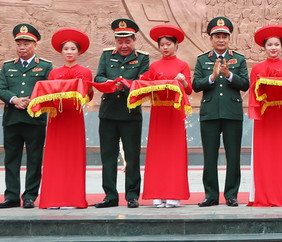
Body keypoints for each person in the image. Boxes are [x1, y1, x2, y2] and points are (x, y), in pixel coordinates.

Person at [193, 17, 250, 207]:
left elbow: (245, 84)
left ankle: (231, 195)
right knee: (210, 156)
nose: (221, 40)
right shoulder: (203, 59)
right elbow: (196, 85)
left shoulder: (239, 59)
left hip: (232, 113)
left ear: (229, 38)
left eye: (224, 36)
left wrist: (228, 75)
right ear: (211, 39)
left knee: (233, 156)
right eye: (217, 36)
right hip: (209, 113)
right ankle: (211, 195)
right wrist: (212, 77)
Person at [93, 19, 149, 209]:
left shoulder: (142, 58)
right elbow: (98, 77)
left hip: (131, 114)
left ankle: (132, 195)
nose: (124, 46)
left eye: (127, 42)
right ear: (115, 41)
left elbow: (143, 83)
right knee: (108, 157)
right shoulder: (106, 55)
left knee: (132, 157)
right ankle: (110, 196)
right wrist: (110, 84)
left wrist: (124, 86)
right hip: (108, 113)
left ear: (134, 40)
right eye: (120, 41)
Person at [36, 28, 93, 209]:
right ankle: (53, 199)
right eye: (66, 49)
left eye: (72, 49)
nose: (69, 52)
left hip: (74, 118)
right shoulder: (54, 73)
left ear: (79, 52)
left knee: (73, 157)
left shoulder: (85, 72)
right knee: (55, 158)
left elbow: (88, 95)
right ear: (61, 52)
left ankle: (73, 199)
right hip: (56, 118)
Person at [248, 25, 282, 207]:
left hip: (281, 114)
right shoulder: (257, 68)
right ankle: (264, 194)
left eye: (276, 44)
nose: (273, 48)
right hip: (264, 115)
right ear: (264, 47)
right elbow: (253, 94)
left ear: (281, 47)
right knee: (265, 155)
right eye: (270, 45)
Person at [0, 24, 53, 209]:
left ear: (35, 45)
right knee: (11, 159)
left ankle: (30, 195)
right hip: (12, 119)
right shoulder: (8, 66)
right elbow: (1, 88)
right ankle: (11, 196)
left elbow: (48, 89)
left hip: (34, 119)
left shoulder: (45, 66)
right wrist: (14, 99)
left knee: (34, 159)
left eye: (26, 44)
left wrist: (32, 100)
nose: (22, 47)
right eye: (19, 44)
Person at [139, 25, 192, 208]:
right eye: (162, 45)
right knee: (157, 153)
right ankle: (157, 194)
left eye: (169, 44)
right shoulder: (154, 66)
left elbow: (189, 90)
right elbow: (146, 84)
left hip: (175, 112)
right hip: (158, 113)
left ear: (176, 45)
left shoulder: (182, 65)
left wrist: (183, 81)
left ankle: (173, 194)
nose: (165, 47)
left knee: (174, 154)